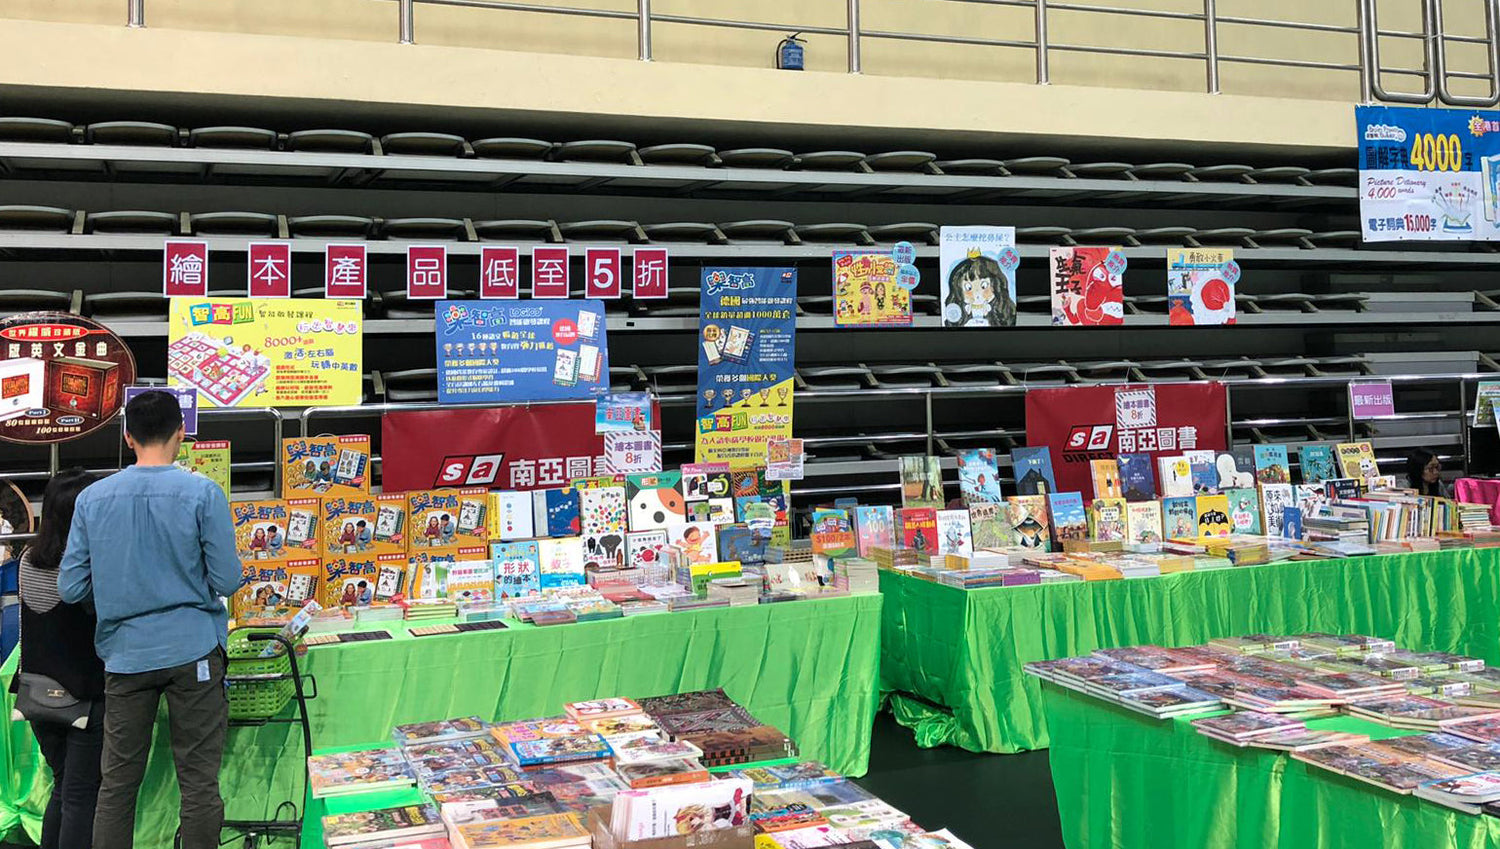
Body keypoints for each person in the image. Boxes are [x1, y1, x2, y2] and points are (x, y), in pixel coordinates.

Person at [58, 389, 240, 849]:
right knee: (198, 782)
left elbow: (70, 588)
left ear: (127, 436)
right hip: (194, 650)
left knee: (117, 785)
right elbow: (228, 578)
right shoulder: (203, 492)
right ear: (181, 432)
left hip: (124, 656)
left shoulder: (92, 499)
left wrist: (120, 593)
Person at [17, 468, 104, 849]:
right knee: (82, 796)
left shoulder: (26, 559)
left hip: (36, 695)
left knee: (63, 788)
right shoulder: (83, 567)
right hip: (83, 695)